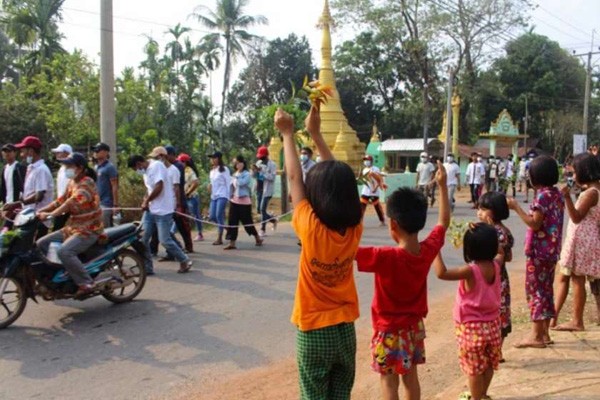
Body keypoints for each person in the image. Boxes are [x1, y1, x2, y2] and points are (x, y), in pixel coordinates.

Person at [275, 105, 363, 400]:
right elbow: (340, 181)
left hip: (314, 331)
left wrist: (288, 133)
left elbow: (293, 179)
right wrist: (315, 135)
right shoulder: (355, 227)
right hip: (345, 330)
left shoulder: (310, 227)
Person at [355, 161, 450, 400]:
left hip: (388, 332)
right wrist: (443, 186)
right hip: (413, 329)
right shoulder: (427, 250)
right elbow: (443, 223)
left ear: (393, 224)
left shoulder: (384, 257)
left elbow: (347, 250)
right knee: (411, 378)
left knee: (388, 382)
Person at [433, 223, 504, 400]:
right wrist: (490, 234)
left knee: (473, 369)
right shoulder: (496, 264)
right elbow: (501, 252)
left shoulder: (470, 271)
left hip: (471, 327)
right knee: (488, 365)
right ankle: (483, 394)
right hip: (493, 325)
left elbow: (441, 273)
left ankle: (476, 397)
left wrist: (435, 249)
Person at [508, 155, 564, 348]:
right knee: (546, 289)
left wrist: (516, 207)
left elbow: (535, 222)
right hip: (551, 251)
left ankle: (536, 335)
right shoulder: (557, 194)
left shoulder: (541, 196)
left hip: (538, 252)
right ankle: (545, 332)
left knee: (535, 291)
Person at [36, 153, 105, 296]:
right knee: (41, 243)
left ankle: (86, 282)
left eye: (69, 166)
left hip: (89, 228)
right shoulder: (72, 182)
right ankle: (59, 275)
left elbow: (70, 203)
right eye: (65, 166)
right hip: (73, 227)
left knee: (65, 251)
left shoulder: (87, 183)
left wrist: (51, 214)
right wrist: (38, 210)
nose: (66, 168)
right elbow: (60, 201)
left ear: (79, 168)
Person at [553, 153, 600, 331]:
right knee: (570, 276)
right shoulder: (594, 190)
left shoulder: (591, 193)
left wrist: (566, 198)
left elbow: (577, 217)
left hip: (582, 240)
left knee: (577, 279)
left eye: (574, 173)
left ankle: (577, 320)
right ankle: (558, 318)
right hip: (584, 239)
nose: (573, 177)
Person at [127, 148, 192, 275]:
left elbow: (159, 186)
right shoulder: (146, 172)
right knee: (142, 239)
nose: (137, 171)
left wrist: (147, 201)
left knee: (165, 240)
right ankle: (147, 267)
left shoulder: (156, 166)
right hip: (151, 210)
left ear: (139, 164)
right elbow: (150, 189)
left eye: (136, 169)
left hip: (164, 210)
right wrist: (145, 199)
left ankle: (184, 260)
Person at [478, 192, 514, 358]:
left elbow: (501, 257)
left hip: (496, 279)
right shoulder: (494, 230)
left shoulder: (498, 232)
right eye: (479, 208)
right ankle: (494, 350)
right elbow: (510, 256)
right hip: (494, 277)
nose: (480, 213)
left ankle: (496, 351)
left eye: (484, 209)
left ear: (495, 211)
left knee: (496, 313)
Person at [5, 136, 54, 239]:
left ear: (31, 151)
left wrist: (18, 203)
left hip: (38, 219)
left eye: (23, 151)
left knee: (33, 249)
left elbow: (39, 196)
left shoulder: (41, 170)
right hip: (29, 216)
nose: (22, 155)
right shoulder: (32, 168)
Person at [224, 155, 263, 250]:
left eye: (239, 162)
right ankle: (232, 242)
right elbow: (231, 187)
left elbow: (241, 183)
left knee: (247, 222)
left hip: (244, 202)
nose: (237, 165)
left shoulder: (247, 174)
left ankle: (257, 237)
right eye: (235, 163)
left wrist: (234, 179)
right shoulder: (234, 174)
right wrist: (229, 197)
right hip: (234, 201)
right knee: (232, 222)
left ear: (243, 163)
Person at [165, 145, 194, 253]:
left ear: (172, 155)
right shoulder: (167, 166)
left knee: (182, 225)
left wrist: (178, 204)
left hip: (179, 199)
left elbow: (176, 185)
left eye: (166, 155)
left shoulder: (178, 166)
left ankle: (188, 246)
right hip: (169, 200)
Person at [177, 153, 204, 242]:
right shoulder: (181, 170)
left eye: (180, 161)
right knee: (182, 215)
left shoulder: (189, 171)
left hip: (192, 197)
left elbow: (195, 182)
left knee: (195, 215)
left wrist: (188, 193)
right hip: (185, 197)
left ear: (185, 162)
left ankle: (200, 233)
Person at [92, 142, 119, 228]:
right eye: (95, 150)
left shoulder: (109, 167)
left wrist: (115, 205)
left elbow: (114, 186)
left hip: (106, 203)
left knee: (106, 228)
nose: (95, 152)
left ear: (106, 152)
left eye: (98, 150)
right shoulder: (96, 167)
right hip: (97, 203)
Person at [0, 144, 27, 230]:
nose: (6, 153)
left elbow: (24, 187)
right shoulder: (5, 168)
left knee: (7, 228)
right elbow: (3, 188)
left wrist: (20, 203)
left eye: (9, 151)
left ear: (15, 153)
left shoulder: (19, 167)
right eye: (4, 151)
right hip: (7, 205)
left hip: (16, 205)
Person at [208, 151, 231, 245]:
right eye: (212, 158)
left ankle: (219, 238)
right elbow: (212, 183)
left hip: (222, 195)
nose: (212, 160)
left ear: (219, 159)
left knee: (218, 215)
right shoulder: (212, 171)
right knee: (212, 216)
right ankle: (226, 228)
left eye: (214, 158)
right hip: (214, 196)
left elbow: (228, 183)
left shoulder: (224, 169)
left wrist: (229, 197)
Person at [50, 143, 74, 232]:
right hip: (61, 203)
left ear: (66, 153)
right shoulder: (61, 168)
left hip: (69, 204)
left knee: (59, 228)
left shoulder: (72, 168)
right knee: (57, 228)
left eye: (59, 152)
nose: (56, 154)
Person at [256, 146, 278, 237]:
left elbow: (272, 177)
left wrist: (263, 172)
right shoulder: (258, 163)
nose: (261, 158)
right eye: (260, 157)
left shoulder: (272, 165)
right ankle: (273, 220)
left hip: (267, 190)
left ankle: (262, 229)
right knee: (259, 210)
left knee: (262, 209)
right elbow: (254, 175)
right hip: (259, 188)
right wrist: (255, 171)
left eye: (262, 157)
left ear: (266, 156)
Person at [360, 155, 386, 225]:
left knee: (377, 206)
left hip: (374, 192)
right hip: (365, 191)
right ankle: (360, 221)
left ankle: (382, 220)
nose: (366, 162)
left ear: (371, 161)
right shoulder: (364, 170)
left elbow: (379, 179)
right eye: (365, 160)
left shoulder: (375, 169)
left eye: (367, 160)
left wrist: (375, 188)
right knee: (362, 206)